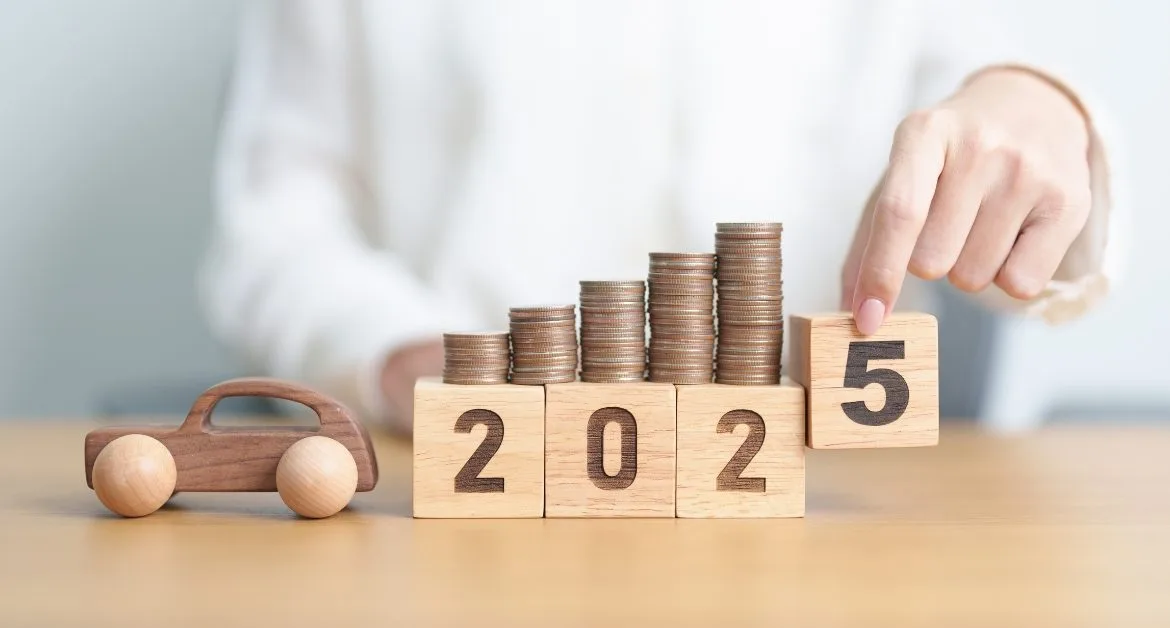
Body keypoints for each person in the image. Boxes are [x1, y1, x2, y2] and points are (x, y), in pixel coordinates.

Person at [201, 1, 1119, 433]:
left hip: (822, 493)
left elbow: (1014, 173)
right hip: (470, 468)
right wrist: (397, 353)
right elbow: (274, 224)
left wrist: (1039, 108)